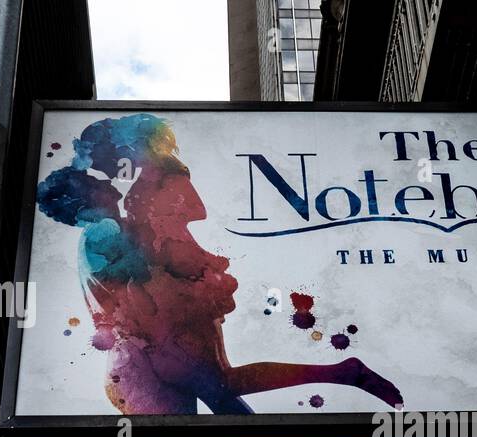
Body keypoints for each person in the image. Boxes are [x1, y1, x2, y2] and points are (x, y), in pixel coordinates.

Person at [37, 113, 403, 414]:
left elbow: (151, 261)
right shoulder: (105, 227)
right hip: (150, 344)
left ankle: (343, 375)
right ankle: (343, 373)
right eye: (95, 183)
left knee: (220, 407)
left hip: (149, 344)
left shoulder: (130, 207)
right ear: (81, 200)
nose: (109, 183)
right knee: (222, 401)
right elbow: (138, 270)